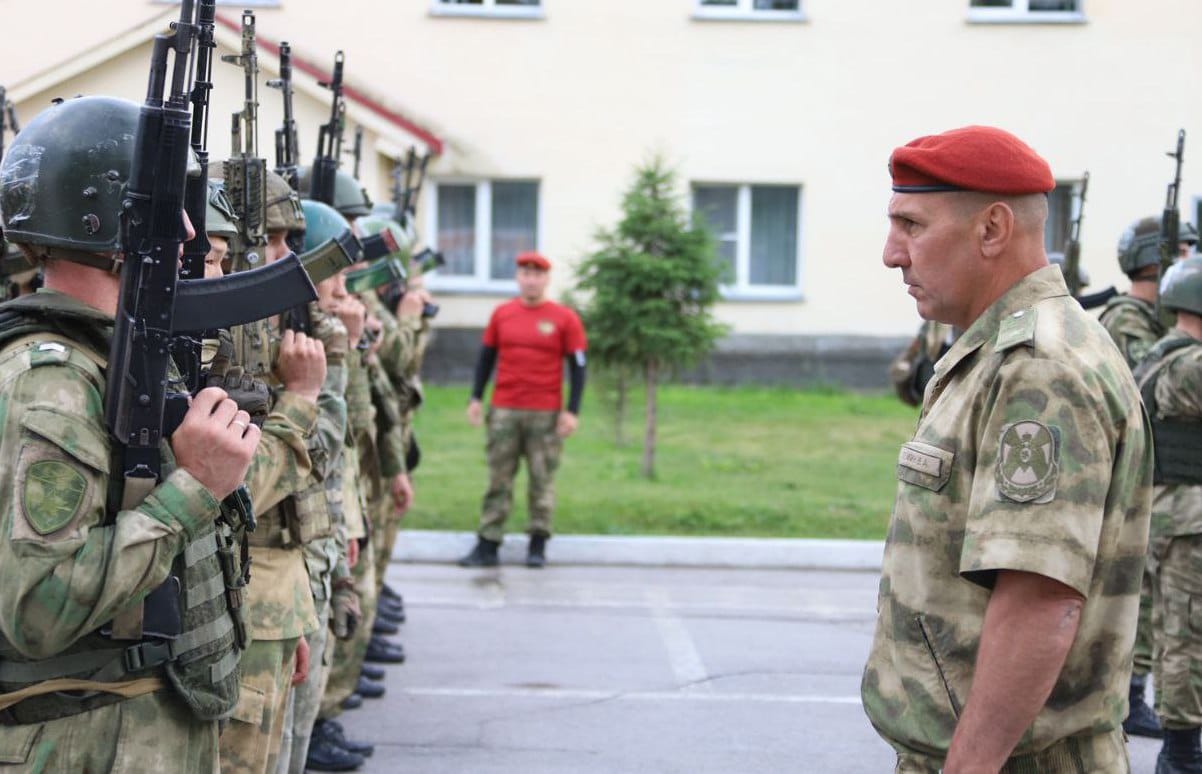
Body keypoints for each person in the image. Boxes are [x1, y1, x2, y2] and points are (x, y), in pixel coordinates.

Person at [861, 125, 1153, 772]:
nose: (891, 253)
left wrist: (970, 766)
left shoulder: (1038, 369)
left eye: (911, 225)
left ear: (992, 229)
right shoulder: (996, 351)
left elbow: (1040, 598)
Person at [0, 95, 259, 771]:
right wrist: (194, 488)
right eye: (164, 207)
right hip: (87, 737)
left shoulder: (113, 355)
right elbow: (38, 610)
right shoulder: (49, 382)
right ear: (107, 222)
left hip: (133, 727)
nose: (184, 231)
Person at [460, 251, 587, 568]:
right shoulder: (503, 314)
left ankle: (538, 544)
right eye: (525, 274)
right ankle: (488, 543)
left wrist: (571, 411)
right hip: (504, 409)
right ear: (518, 278)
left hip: (544, 412)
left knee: (541, 479)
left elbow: (579, 367)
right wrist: (476, 398)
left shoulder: (564, 318)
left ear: (546, 279)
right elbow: (485, 359)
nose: (531, 280)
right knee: (498, 478)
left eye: (537, 274)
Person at [1097, 215, 1170, 739]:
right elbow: (1147, 389)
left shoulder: (1153, 318)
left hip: (1158, 473)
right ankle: (1126, 696)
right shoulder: (1128, 319)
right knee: (1137, 595)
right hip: (1138, 473)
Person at [1133, 256, 1202, 773]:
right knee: (1185, 636)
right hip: (1186, 523)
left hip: (1172, 519)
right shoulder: (1186, 366)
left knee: (1176, 632)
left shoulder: (1162, 355)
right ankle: (1180, 754)